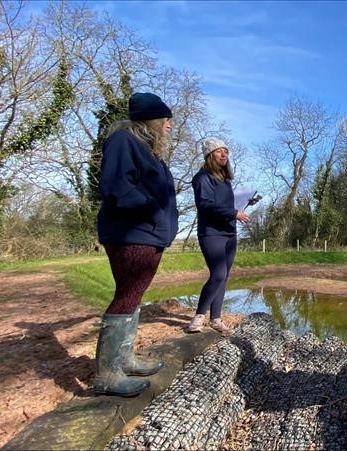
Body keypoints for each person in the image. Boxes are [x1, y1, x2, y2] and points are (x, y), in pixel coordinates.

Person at [94, 92, 178, 397]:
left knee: (133, 295)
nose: (169, 125)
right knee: (126, 295)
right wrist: (152, 209)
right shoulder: (123, 141)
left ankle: (125, 358)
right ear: (153, 120)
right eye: (166, 120)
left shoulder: (147, 150)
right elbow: (115, 187)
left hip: (147, 233)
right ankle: (108, 374)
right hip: (132, 233)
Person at [185, 138, 250, 336]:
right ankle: (198, 317)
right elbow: (205, 205)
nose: (224, 155)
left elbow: (226, 205)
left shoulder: (225, 180)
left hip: (230, 233)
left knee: (224, 277)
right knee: (218, 274)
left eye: (226, 152)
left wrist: (244, 203)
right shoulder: (202, 178)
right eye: (219, 151)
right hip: (211, 233)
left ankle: (216, 319)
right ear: (209, 155)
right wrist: (233, 213)